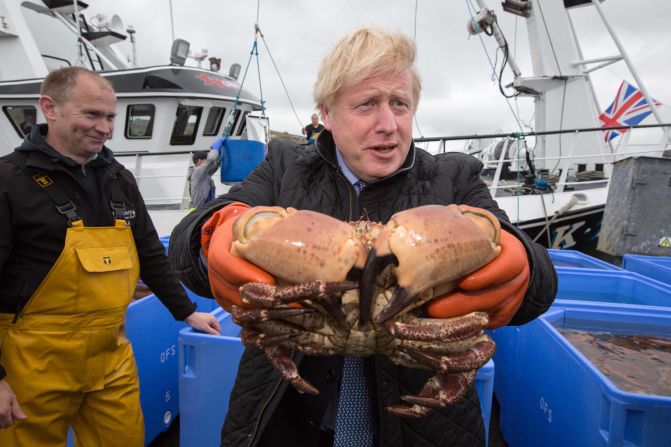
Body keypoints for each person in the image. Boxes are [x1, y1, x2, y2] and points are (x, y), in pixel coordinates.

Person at [169, 27, 557, 447]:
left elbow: (538, 282)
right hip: (281, 419)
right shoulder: (284, 169)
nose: (388, 125)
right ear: (328, 114)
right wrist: (211, 236)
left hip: (426, 427)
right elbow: (192, 241)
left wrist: (522, 265)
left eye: (400, 104)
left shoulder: (454, 179)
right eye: (367, 105)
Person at [0, 66, 221, 446]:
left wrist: (186, 311)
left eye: (110, 117)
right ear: (49, 108)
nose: (104, 128)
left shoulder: (119, 177)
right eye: (91, 115)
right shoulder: (9, 180)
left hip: (111, 356)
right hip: (31, 365)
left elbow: (150, 253)